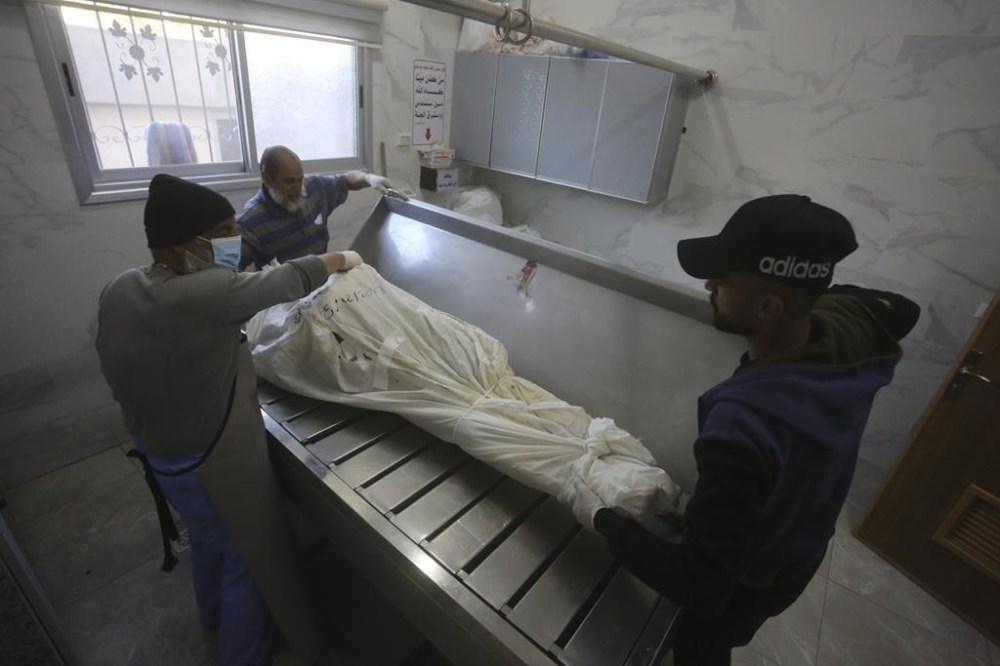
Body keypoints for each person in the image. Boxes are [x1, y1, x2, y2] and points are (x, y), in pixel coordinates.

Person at [579, 194, 920, 666]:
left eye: (722, 279)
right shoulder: (854, 331)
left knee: (702, 644)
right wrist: (820, 294)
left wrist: (604, 521)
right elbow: (903, 308)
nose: (708, 284)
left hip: (747, 583)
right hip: (800, 552)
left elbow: (699, 585)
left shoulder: (744, 425)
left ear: (768, 308)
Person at [96, 174, 363, 665]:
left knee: (207, 538)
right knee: (247, 557)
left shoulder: (121, 287)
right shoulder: (205, 293)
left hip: (158, 452)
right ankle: (241, 653)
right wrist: (342, 259)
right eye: (220, 232)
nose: (232, 242)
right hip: (208, 461)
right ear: (176, 246)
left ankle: (212, 617)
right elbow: (284, 280)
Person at [238, 145, 397, 269]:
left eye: (300, 179)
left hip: (322, 287)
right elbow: (228, 276)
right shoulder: (250, 222)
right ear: (267, 178)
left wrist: (368, 178)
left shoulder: (313, 188)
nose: (297, 187)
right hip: (284, 303)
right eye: (289, 181)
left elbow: (346, 180)